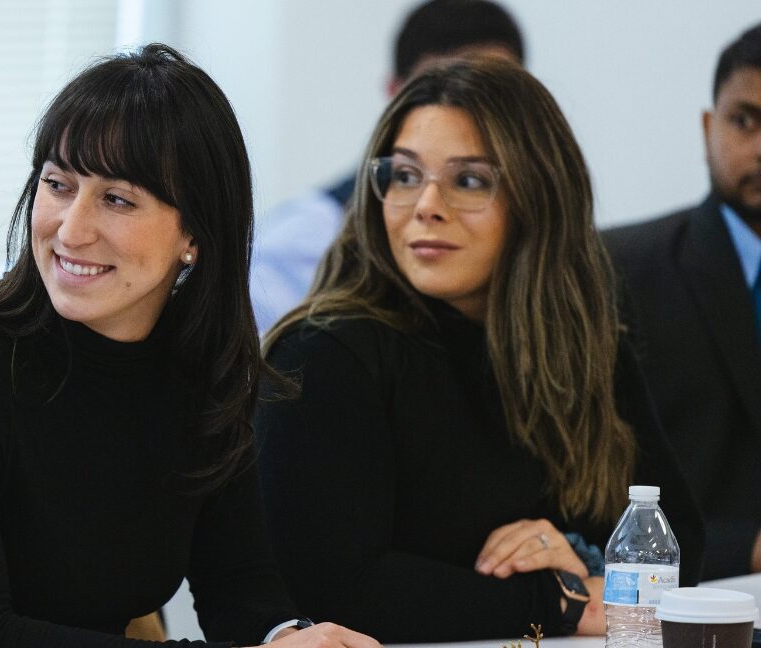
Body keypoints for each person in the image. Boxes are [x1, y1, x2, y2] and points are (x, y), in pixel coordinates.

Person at [0, 44, 379, 648]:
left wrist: (286, 636)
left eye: (116, 199)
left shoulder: (200, 377)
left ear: (194, 234)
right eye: (58, 185)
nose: (71, 229)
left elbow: (240, 585)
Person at [254, 58, 705, 642]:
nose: (425, 206)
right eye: (406, 175)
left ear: (538, 198)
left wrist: (569, 561)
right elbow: (338, 591)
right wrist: (562, 597)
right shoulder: (322, 355)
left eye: (468, 181)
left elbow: (678, 547)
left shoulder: (583, 343)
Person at [250, 0, 525, 332]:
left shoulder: (550, 246)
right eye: (436, 93)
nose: (464, 116)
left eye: (494, 97)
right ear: (397, 94)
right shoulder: (297, 246)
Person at [603, 23, 761, 581]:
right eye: (744, 120)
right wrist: (746, 547)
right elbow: (590, 489)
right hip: (680, 595)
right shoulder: (620, 268)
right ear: (707, 127)